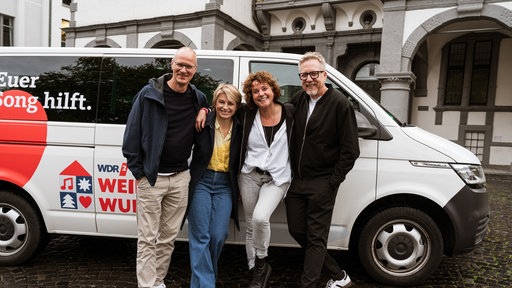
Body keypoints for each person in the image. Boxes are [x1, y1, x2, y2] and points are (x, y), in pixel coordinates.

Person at [122, 47, 208, 288]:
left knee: (168, 238)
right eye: (180, 64)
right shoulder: (149, 94)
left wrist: (205, 110)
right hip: (152, 178)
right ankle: (147, 285)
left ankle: (157, 281)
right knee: (147, 238)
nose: (183, 70)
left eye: (188, 66)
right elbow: (131, 137)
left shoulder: (197, 97)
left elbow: (216, 103)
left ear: (195, 70)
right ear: (172, 64)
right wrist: (139, 173)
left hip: (180, 178)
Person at [285, 52, 360, 288]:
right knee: (298, 231)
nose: (308, 79)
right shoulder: (299, 99)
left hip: (322, 182)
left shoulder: (340, 104)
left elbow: (351, 150)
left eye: (313, 74)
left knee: (316, 238)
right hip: (297, 181)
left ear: (324, 75)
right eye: (304, 75)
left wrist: (332, 182)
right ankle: (338, 275)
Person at [239, 71, 294, 288]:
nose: (261, 94)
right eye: (255, 91)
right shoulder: (247, 114)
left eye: (264, 89)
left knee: (261, 218)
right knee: (251, 224)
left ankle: (262, 261)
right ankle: (256, 270)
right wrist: (205, 110)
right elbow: (221, 106)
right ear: (250, 96)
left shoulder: (290, 112)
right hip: (250, 174)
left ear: (273, 90)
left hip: (277, 178)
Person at [187, 83, 243, 287]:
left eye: (230, 103)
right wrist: (204, 110)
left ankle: (201, 281)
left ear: (237, 106)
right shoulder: (204, 122)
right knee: (200, 236)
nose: (225, 107)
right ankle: (207, 284)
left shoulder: (241, 125)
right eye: (221, 102)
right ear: (214, 103)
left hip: (225, 185)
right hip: (202, 181)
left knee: (218, 235)